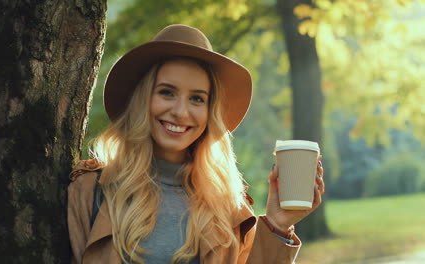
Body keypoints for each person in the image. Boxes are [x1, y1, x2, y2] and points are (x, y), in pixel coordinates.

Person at [67, 24, 325, 264]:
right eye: (167, 92)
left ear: (210, 112)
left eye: (197, 99)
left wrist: (278, 225)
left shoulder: (228, 208)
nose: (181, 112)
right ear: (143, 99)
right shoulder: (91, 190)